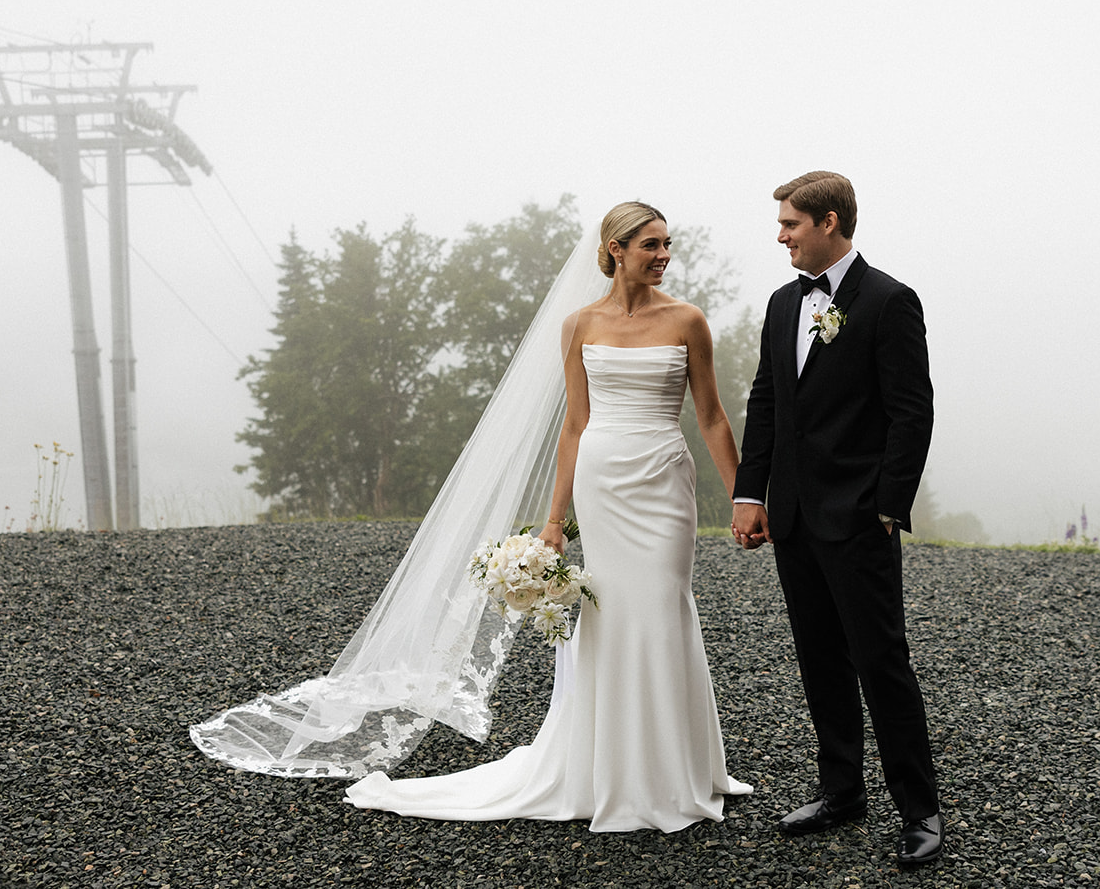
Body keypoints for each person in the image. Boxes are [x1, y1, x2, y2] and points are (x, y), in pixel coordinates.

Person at [343, 202, 752, 832]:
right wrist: (554, 521)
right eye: (651, 245)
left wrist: (744, 497)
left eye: (668, 244)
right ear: (616, 249)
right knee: (611, 612)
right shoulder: (580, 325)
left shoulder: (688, 320)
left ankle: (677, 768)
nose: (664, 255)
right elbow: (574, 425)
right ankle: (607, 767)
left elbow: (712, 416)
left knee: (664, 604)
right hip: (603, 481)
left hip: (664, 482)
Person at [730, 171, 942, 866]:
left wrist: (886, 507)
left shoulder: (888, 301)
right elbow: (768, 401)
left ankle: (920, 809)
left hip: (858, 518)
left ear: (828, 221)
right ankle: (841, 791)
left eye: (790, 223)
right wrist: (749, 491)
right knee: (819, 659)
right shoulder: (780, 305)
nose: (782, 235)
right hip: (790, 515)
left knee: (882, 662)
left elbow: (912, 413)